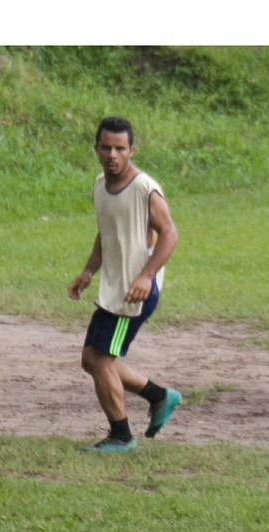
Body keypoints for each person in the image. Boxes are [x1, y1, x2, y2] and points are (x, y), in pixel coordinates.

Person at [68, 116, 181, 453]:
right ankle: (160, 396)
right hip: (113, 290)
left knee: (100, 360)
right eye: (106, 147)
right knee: (92, 359)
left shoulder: (145, 188)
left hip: (135, 293)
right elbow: (107, 232)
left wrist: (146, 276)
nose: (112, 154)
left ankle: (121, 437)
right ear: (96, 149)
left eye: (120, 148)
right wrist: (88, 271)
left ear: (132, 150)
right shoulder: (100, 184)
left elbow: (170, 235)